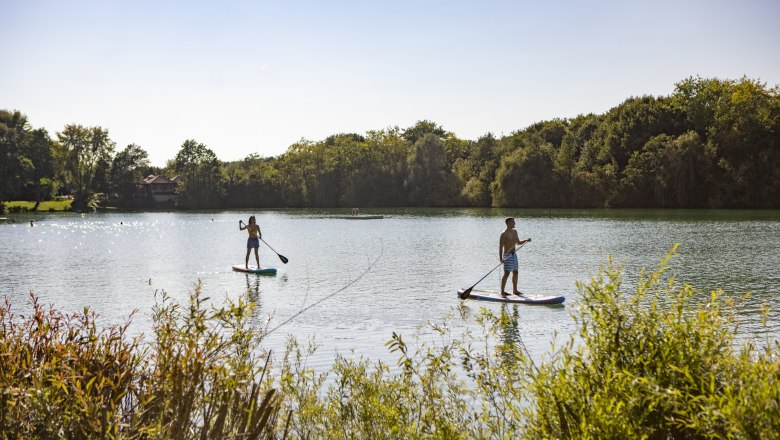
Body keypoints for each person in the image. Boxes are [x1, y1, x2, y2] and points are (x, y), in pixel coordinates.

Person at [499, 217, 531, 298]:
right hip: (507, 255)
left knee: (516, 272)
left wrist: (526, 240)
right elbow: (500, 247)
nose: (515, 223)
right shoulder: (504, 234)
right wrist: (501, 258)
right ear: (509, 223)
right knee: (506, 273)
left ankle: (515, 290)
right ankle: (502, 292)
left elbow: (518, 242)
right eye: (513, 222)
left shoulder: (515, 232)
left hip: (514, 255)